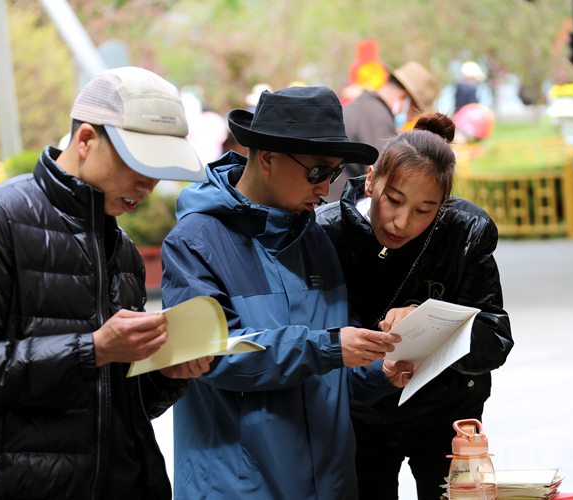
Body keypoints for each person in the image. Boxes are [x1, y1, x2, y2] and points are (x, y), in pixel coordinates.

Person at [0, 66, 215, 500]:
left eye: (159, 168)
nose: (148, 184)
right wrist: (92, 349)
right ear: (86, 140)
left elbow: (124, 405)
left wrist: (167, 374)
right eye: (138, 162)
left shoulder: (124, 249)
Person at [160, 86, 415, 500]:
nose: (325, 188)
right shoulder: (193, 242)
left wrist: (380, 369)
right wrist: (331, 348)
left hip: (330, 485)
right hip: (236, 490)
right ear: (266, 157)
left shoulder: (316, 240)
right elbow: (212, 357)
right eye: (317, 172)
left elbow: (334, 371)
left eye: (334, 174)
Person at [315, 112, 513, 500]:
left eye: (424, 210)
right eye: (393, 200)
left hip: (448, 410)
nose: (402, 222)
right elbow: (319, 340)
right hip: (360, 416)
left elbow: (495, 339)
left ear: (442, 205)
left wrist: (427, 318)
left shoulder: (466, 231)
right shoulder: (325, 233)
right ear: (371, 179)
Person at [330, 61, 440, 202]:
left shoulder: (365, 105)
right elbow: (387, 178)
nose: (410, 118)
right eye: (413, 111)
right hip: (333, 204)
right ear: (404, 98)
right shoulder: (378, 117)